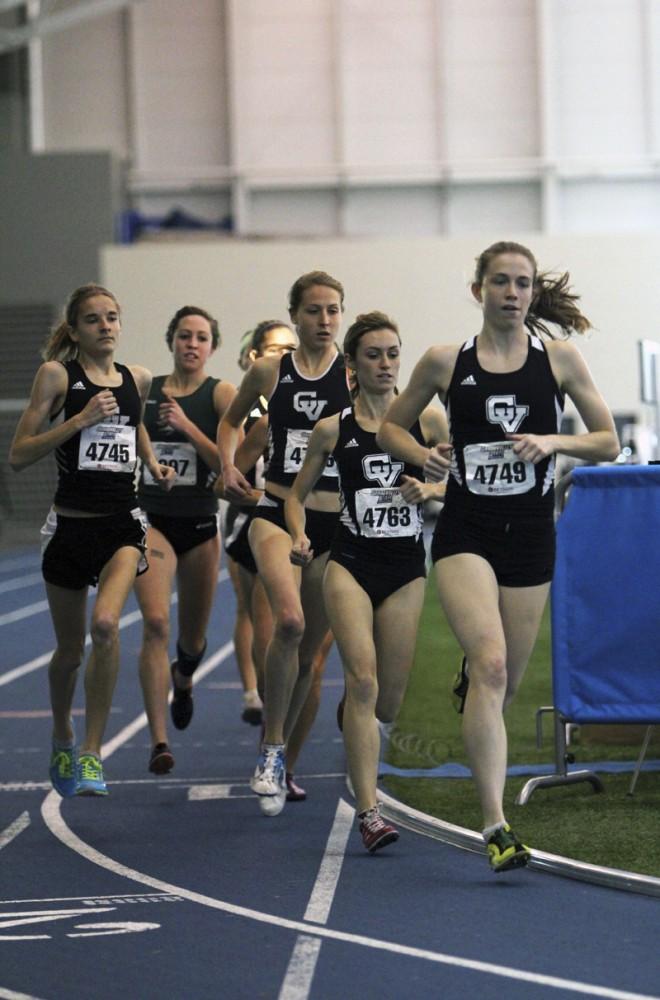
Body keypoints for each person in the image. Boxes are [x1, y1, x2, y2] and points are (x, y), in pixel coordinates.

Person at [377, 241, 620, 871]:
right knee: (489, 663)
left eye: (522, 284)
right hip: (467, 530)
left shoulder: (559, 359)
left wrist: (552, 440)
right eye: (500, 283)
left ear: (533, 293)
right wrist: (421, 456)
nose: (512, 294)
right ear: (479, 289)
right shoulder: (444, 361)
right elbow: (390, 429)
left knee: (504, 680)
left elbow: (608, 442)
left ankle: (477, 681)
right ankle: (497, 826)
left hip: (532, 534)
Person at [285, 311, 447, 852]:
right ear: (351, 365)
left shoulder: (431, 422)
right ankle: (369, 812)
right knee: (363, 680)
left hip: (404, 570)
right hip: (349, 565)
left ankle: (356, 715)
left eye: (393, 353)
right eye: (373, 355)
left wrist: (432, 493)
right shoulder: (333, 428)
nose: (385, 364)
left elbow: (467, 484)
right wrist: (300, 534)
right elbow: (294, 493)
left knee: (388, 704)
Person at [8, 283, 175, 797]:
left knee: (106, 625)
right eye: (94, 320)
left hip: (122, 523)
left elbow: (132, 425)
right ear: (76, 330)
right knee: (68, 653)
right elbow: (19, 453)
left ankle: (91, 754)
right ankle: (63, 731)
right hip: (69, 526)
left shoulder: (138, 378)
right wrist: (79, 420)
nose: (106, 327)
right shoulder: (57, 376)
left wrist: (151, 463)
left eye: (113, 317)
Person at [219, 270, 350, 816]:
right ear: (295, 316)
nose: (324, 320)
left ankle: (287, 758)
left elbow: (395, 427)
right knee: (289, 623)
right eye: (314, 311)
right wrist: (228, 465)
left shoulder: (355, 376)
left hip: (336, 521)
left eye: (333, 310)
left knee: (313, 660)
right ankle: (270, 749)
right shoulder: (272, 371)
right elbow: (231, 422)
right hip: (274, 511)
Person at [134, 305, 236, 774]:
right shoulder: (146, 391)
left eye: (200, 338)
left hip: (198, 525)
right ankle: (159, 742)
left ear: (211, 347)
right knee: (155, 622)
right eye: (184, 336)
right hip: (151, 519)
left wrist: (188, 428)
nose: (191, 344)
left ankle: (186, 676)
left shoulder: (221, 395)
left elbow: (227, 467)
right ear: (171, 341)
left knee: (192, 639)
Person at [222, 320, 298, 727]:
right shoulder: (247, 406)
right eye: (276, 349)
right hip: (250, 519)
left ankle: (280, 705)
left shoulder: (311, 399)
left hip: (303, 521)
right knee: (254, 612)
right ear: (255, 357)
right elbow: (226, 471)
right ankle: (258, 694)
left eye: (291, 347)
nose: (286, 355)